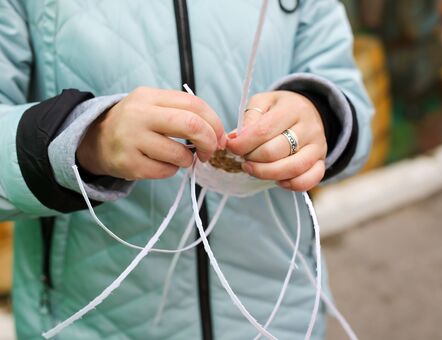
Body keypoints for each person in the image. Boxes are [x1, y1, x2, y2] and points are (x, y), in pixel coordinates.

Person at [0, 0, 373, 339]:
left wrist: (319, 117)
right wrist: (85, 141)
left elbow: (347, 96)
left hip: (278, 313)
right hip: (90, 321)